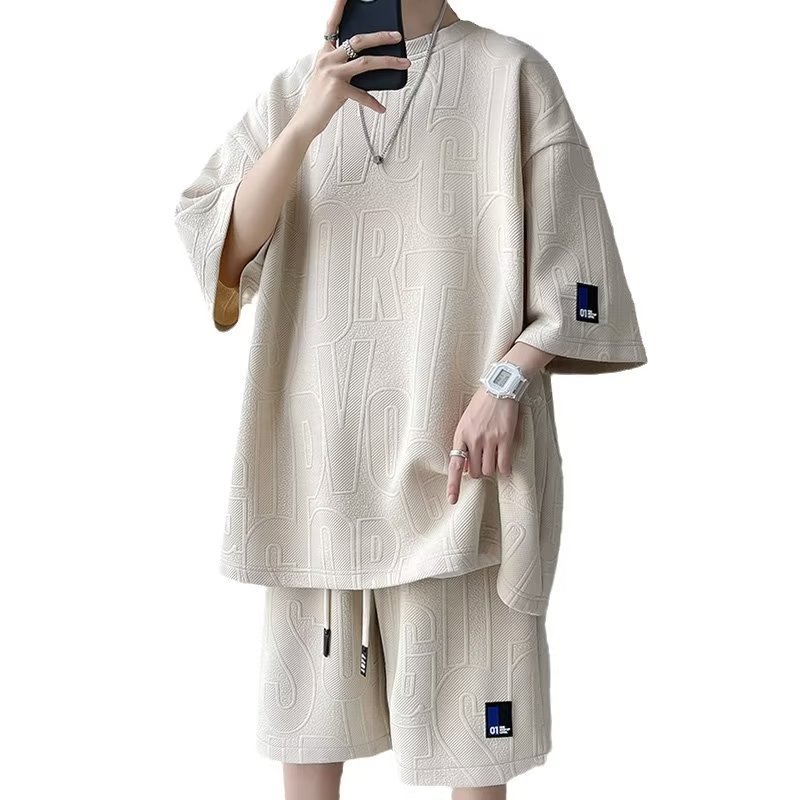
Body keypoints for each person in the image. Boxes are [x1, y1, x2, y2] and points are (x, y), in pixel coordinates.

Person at [173, 1, 647, 797]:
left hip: (461, 477)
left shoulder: (513, 76)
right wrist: (305, 124)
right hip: (320, 477)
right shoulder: (297, 88)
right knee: (308, 743)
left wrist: (507, 381)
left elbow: (577, 272)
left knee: (474, 752)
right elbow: (221, 246)